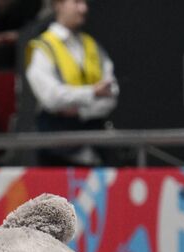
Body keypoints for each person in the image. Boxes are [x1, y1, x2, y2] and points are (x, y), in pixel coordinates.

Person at [23, 0, 116, 165]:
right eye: (76, 2)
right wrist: (92, 93)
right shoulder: (43, 47)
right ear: (58, 4)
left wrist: (80, 111)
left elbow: (111, 94)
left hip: (96, 147)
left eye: (85, 3)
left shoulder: (92, 45)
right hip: (57, 150)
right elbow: (51, 98)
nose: (84, 8)